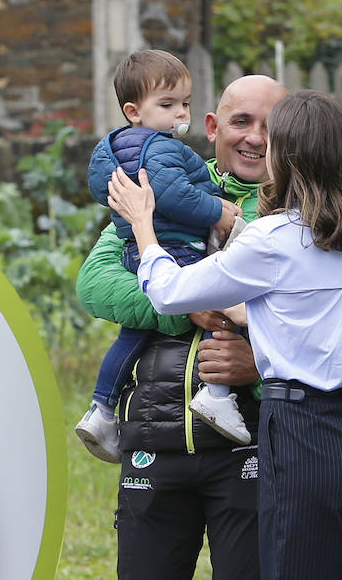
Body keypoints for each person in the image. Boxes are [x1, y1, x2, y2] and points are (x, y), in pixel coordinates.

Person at [107, 90, 342, 580]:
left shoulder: (273, 239)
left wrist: (143, 226)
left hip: (301, 430)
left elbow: (169, 291)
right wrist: (248, 313)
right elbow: (313, 307)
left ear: (290, 158)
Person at [75, 74, 287, 580]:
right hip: (155, 438)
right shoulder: (163, 189)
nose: (255, 137)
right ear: (211, 127)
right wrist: (181, 306)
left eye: (270, 126)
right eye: (241, 122)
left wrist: (259, 363)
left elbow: (314, 324)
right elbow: (96, 282)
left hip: (251, 444)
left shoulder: (298, 211)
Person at [76, 49, 248, 464]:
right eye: (167, 105)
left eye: (185, 104)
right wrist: (218, 210)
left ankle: (101, 407)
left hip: (141, 249)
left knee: (131, 334)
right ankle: (217, 394)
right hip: (173, 249)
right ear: (134, 111)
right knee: (214, 300)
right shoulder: (158, 147)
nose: (179, 114)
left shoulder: (117, 149)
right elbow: (173, 195)